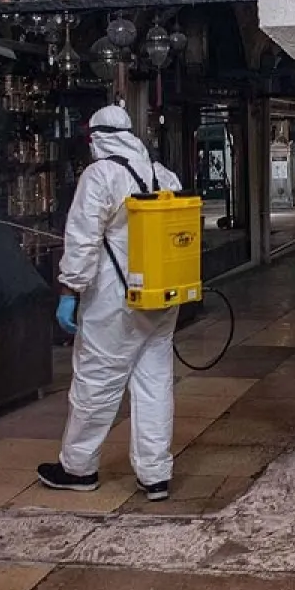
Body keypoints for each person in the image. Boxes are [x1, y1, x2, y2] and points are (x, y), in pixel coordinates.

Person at [38, 105, 183, 499]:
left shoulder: (100, 175)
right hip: (160, 299)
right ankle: (155, 476)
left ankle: (78, 468)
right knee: (154, 385)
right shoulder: (160, 174)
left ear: (95, 138)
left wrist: (69, 290)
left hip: (113, 304)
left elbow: (83, 240)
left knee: (96, 384)